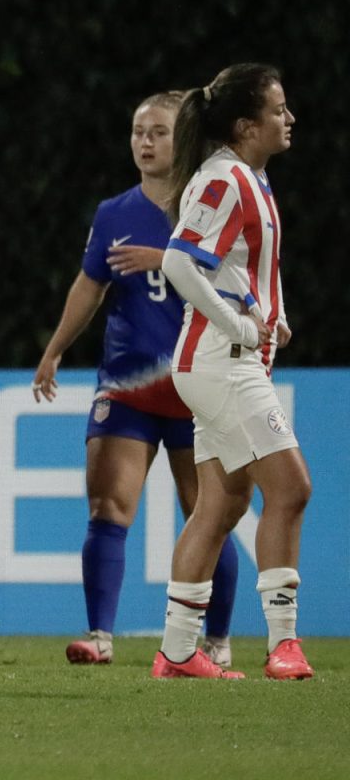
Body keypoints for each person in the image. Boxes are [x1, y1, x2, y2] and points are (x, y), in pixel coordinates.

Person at [32, 91, 240, 667]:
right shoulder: (113, 213)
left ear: (185, 139)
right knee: (107, 506)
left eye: (159, 132)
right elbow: (89, 286)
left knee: (209, 511)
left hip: (198, 383)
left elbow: (239, 282)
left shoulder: (214, 206)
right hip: (127, 384)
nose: (145, 142)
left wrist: (167, 256)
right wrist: (54, 351)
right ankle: (100, 638)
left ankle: (217, 643)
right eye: (137, 131)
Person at [152, 63, 312, 681]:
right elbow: (179, 262)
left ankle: (177, 652)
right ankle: (283, 645)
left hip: (224, 360)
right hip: (222, 363)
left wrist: (269, 315)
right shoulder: (227, 180)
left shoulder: (248, 179)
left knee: (219, 506)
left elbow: (228, 268)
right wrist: (236, 324)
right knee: (292, 489)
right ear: (246, 126)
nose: (288, 118)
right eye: (277, 110)